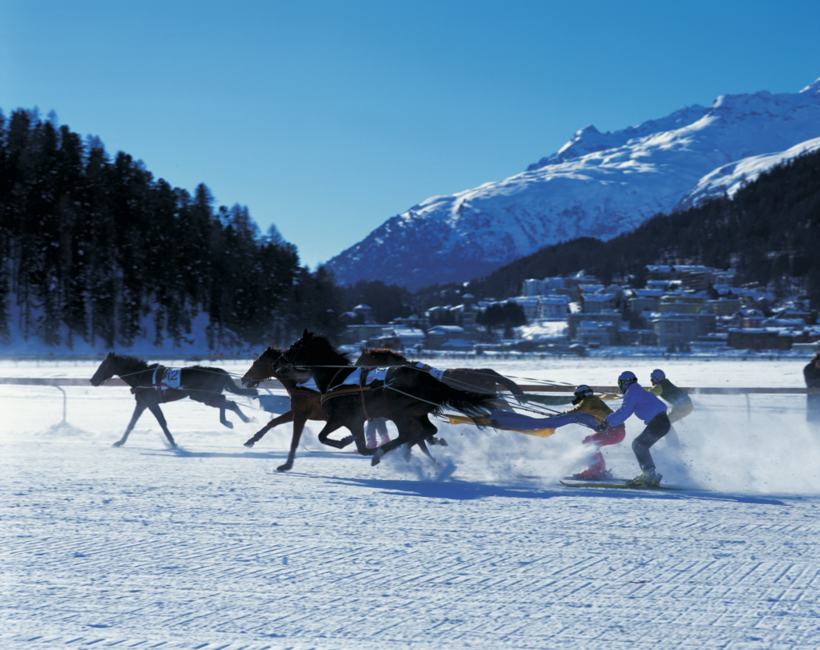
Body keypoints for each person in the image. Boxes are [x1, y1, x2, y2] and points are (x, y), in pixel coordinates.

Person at [598, 371, 670, 487]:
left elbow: (624, 411)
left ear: (625, 383)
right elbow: (626, 412)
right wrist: (610, 423)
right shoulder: (637, 390)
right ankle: (649, 474)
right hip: (662, 422)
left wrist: (606, 422)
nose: (619, 387)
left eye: (620, 383)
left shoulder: (633, 391)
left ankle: (649, 474)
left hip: (659, 422)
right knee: (640, 444)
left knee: (638, 444)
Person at [543, 385, 626, 479]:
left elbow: (578, 411)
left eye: (576, 395)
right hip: (616, 431)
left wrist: (562, 415)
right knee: (589, 441)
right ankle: (598, 469)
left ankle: (595, 470)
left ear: (581, 394)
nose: (576, 398)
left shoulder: (588, 400)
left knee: (590, 442)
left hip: (615, 431)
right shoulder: (593, 400)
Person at [648, 368, 693, 445]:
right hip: (685, 404)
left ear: (656, 379)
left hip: (683, 406)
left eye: (652, 379)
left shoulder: (660, 386)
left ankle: (673, 443)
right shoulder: (664, 384)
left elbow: (648, 394)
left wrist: (634, 393)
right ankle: (673, 442)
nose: (651, 381)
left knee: (664, 423)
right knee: (665, 423)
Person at [804, 353, 820, 426]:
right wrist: (817, 368)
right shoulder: (808, 368)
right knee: (814, 421)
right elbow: (811, 382)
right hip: (814, 397)